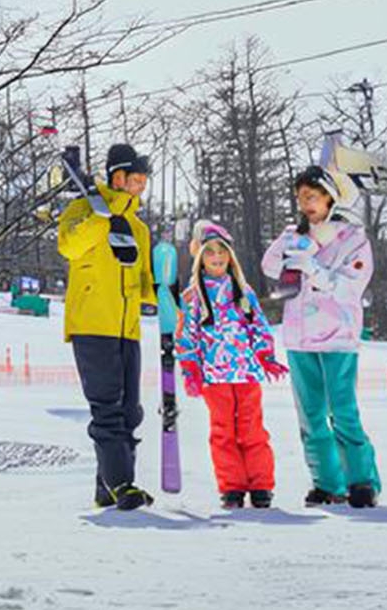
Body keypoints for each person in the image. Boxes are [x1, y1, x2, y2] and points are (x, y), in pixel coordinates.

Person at [262, 165, 382, 508]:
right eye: (301, 197)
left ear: (330, 196)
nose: (306, 203)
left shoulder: (353, 238)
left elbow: (349, 288)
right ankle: (327, 482)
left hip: (337, 336)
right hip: (300, 337)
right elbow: (270, 266)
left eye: (312, 196)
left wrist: (313, 267)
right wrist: (300, 244)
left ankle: (361, 481)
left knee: (342, 412)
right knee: (311, 414)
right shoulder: (295, 233)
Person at [57, 143, 157, 510]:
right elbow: (70, 246)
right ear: (118, 177)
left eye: (144, 182)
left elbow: (145, 284)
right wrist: (103, 215)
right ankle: (123, 483)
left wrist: (171, 299)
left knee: (130, 411)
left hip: (127, 329)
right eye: (135, 180)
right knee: (108, 409)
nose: (140, 188)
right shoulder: (82, 210)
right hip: (92, 324)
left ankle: (108, 487)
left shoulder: (139, 228)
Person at [175, 220, 287, 509]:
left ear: (229, 255)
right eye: (210, 252)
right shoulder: (193, 296)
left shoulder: (242, 291)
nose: (216, 257)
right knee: (223, 432)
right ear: (201, 256)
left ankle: (261, 485)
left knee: (252, 429)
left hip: (245, 373)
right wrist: (191, 369)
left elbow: (259, 326)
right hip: (215, 377)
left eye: (221, 251)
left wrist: (264, 354)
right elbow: (187, 335)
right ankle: (232, 487)